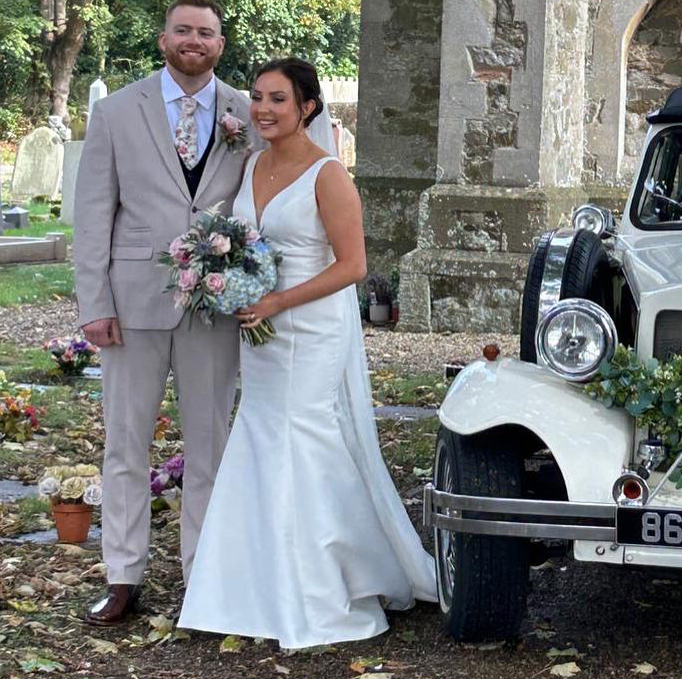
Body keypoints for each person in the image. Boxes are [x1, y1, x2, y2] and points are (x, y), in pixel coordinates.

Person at [176, 58, 437, 648]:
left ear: (307, 109)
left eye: (278, 100)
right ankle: (250, 587)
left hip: (310, 328)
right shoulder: (251, 165)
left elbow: (354, 267)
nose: (263, 110)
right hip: (260, 332)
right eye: (258, 98)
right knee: (262, 436)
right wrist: (228, 281)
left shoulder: (328, 175)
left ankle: (322, 587)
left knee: (304, 437)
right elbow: (243, 241)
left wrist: (278, 301)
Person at [73, 0, 256, 625]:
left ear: (220, 43)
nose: (193, 41)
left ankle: (203, 574)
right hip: (131, 305)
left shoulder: (245, 110)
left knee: (211, 443)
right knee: (126, 445)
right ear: (164, 38)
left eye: (205, 32)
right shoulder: (117, 111)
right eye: (183, 30)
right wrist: (94, 304)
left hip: (213, 307)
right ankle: (124, 577)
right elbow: (95, 215)